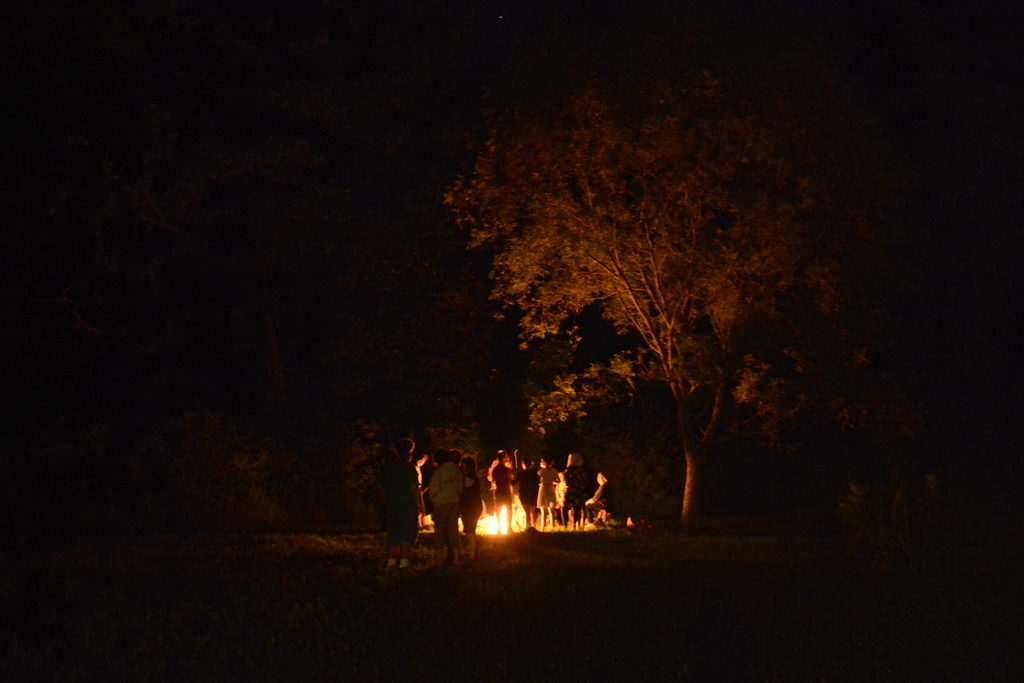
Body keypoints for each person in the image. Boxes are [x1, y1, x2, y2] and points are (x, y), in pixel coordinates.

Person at [381, 438, 420, 569]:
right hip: (407, 506)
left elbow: (383, 488)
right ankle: (404, 561)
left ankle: (391, 561)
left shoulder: (389, 468)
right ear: (410, 453)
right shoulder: (409, 468)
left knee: (393, 534)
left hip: (392, 507)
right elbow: (414, 488)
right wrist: (419, 505)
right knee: (407, 534)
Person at [428, 448, 463, 566]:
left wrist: (435, 498)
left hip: (441, 504)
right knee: (453, 531)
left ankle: (438, 560)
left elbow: (433, 489)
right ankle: (456, 559)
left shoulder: (438, 471)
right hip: (454, 502)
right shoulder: (457, 469)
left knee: (440, 532)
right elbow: (460, 487)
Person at [459, 453, 483, 561]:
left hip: (471, 508)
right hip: (473, 507)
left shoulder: (468, 478)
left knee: (470, 531)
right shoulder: (473, 477)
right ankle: (474, 553)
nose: (461, 466)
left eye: (463, 465)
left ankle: (472, 557)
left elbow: (463, 490)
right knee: (471, 531)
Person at [563, 452, 592, 531]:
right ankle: (576, 525)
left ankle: (565, 525)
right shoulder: (582, 470)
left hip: (571, 491)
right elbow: (585, 481)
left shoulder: (569, 470)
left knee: (565, 507)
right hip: (579, 491)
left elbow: (565, 480)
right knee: (577, 508)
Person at [488, 450, 515, 533]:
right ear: (503, 458)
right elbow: (511, 480)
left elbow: (493, 481)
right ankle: (508, 528)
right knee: (509, 509)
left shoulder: (495, 470)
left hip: (499, 490)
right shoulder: (507, 469)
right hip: (506, 490)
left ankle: (499, 528)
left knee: (498, 509)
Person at [536, 457, 560, 531]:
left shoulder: (541, 471)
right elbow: (558, 480)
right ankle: (552, 527)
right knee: (551, 509)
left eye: (542, 461)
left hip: (543, 488)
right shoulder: (554, 471)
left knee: (543, 510)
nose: (540, 463)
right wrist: (551, 482)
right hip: (550, 488)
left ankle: (542, 528)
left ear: (545, 462)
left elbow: (538, 480)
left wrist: (543, 481)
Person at [516, 458, 540, 530]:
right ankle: (533, 525)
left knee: (526, 510)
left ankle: (527, 526)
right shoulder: (534, 473)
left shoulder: (521, 473)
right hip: (532, 492)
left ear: (523, 464)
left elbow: (514, 481)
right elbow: (537, 482)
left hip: (524, 492)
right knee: (532, 509)